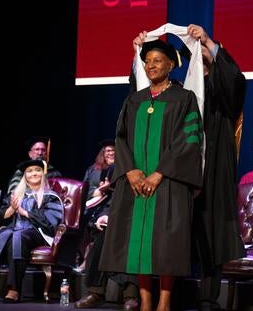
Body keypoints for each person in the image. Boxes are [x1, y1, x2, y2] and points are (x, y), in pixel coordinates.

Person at [99, 38, 203, 311]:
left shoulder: (184, 99)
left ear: (170, 65)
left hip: (168, 183)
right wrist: (131, 171)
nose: (151, 65)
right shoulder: (134, 100)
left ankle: (164, 302)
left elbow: (189, 140)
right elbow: (120, 138)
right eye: (147, 61)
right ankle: (145, 301)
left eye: (158, 61)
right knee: (139, 243)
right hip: (135, 184)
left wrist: (159, 173)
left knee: (166, 244)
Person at [181, 24, 247, 311]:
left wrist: (209, 42)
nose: (201, 57)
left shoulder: (222, 99)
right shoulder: (182, 94)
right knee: (178, 231)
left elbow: (235, 79)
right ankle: (171, 295)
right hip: (183, 170)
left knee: (211, 231)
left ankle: (208, 298)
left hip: (215, 169)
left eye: (205, 54)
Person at [0, 159, 63, 303]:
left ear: (43, 174)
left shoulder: (50, 197)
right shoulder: (16, 194)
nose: (34, 173)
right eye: (29, 171)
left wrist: (24, 212)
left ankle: (13, 289)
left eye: (37, 170)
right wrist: (11, 209)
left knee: (19, 237)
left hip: (38, 232)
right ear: (24, 176)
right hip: (14, 228)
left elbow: (50, 223)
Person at [74, 197, 140, 310]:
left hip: (140, 221)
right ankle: (96, 291)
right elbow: (111, 202)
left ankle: (131, 295)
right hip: (117, 222)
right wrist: (104, 216)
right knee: (103, 235)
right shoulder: (124, 181)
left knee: (131, 238)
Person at [77, 139, 116, 271]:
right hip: (95, 203)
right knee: (81, 218)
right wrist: (98, 191)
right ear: (102, 153)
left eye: (113, 150)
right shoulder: (93, 170)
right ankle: (83, 257)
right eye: (107, 151)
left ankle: (89, 259)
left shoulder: (123, 168)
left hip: (112, 205)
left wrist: (109, 189)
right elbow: (83, 191)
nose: (111, 153)